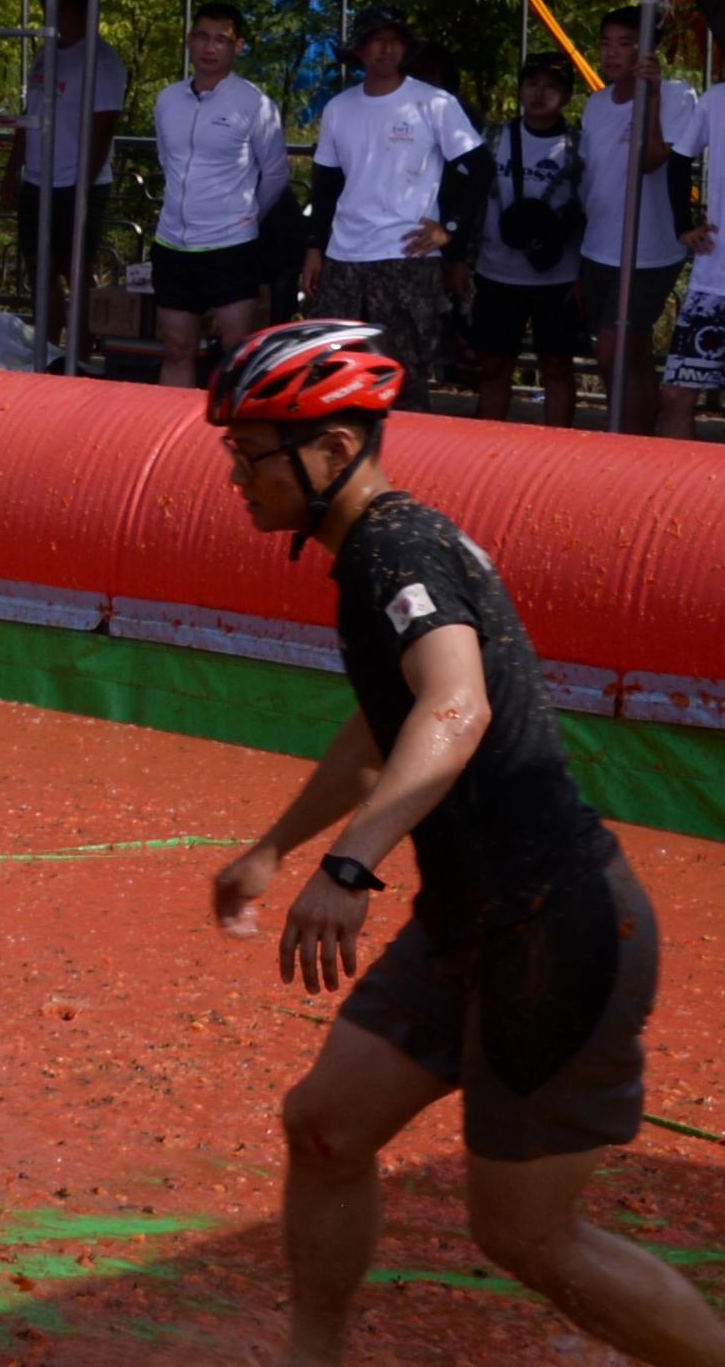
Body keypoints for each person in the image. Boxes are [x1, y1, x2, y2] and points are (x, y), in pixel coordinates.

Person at [201, 320, 721, 1367]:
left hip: (552, 923)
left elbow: (452, 708)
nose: (233, 477)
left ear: (332, 450)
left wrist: (348, 865)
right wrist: (272, 845)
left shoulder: (396, 546)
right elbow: (381, 724)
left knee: (524, 1232)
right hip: (468, 916)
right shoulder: (370, 555)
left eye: (251, 455)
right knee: (324, 1126)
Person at [304, 3, 487, 410]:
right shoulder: (339, 108)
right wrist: (315, 247)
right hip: (344, 256)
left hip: (406, 254)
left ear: (406, 50)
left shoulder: (434, 103)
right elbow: (327, 185)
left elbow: (478, 169)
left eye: (394, 42)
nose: (386, 50)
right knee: (337, 369)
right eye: (376, 41)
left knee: (403, 376)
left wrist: (451, 232)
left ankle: (409, 466)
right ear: (360, 50)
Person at [149, 1, 292, 388]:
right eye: (202, 37)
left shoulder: (254, 103)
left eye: (221, 40)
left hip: (231, 245)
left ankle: (230, 437)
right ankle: (170, 439)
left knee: (236, 351)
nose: (210, 48)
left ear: (237, 47)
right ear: (189, 41)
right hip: (173, 243)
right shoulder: (167, 99)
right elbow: (168, 159)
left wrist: (247, 216)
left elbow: (276, 172)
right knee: (177, 347)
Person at [577, 8, 696, 431]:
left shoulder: (678, 94)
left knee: (615, 348)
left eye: (625, 43)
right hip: (598, 244)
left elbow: (650, 159)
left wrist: (653, 96)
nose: (612, 53)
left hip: (649, 247)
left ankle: (624, 442)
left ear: (647, 50)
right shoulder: (594, 103)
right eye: (607, 42)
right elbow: (590, 177)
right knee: (632, 351)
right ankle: (643, 436)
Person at [2, 0, 128, 329]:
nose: (46, 6)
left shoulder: (102, 60)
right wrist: (13, 171)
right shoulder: (45, 53)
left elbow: (103, 129)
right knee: (37, 267)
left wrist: (82, 189)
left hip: (77, 180)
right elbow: (30, 115)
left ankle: (83, 352)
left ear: (75, 2)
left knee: (75, 269)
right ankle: (50, 348)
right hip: (37, 179)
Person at [469, 57, 588, 428]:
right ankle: (488, 446)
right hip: (496, 270)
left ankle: (557, 450)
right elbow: (469, 199)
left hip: (559, 277)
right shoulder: (493, 139)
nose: (539, 94)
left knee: (556, 365)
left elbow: (592, 209)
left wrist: (585, 275)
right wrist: (458, 260)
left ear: (566, 96)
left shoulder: (578, 147)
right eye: (531, 83)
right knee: (492, 365)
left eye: (551, 86)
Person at [660, 69, 724, 439]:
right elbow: (679, 159)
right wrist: (682, 226)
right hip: (712, 280)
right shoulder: (717, 99)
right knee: (676, 395)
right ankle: (671, 494)